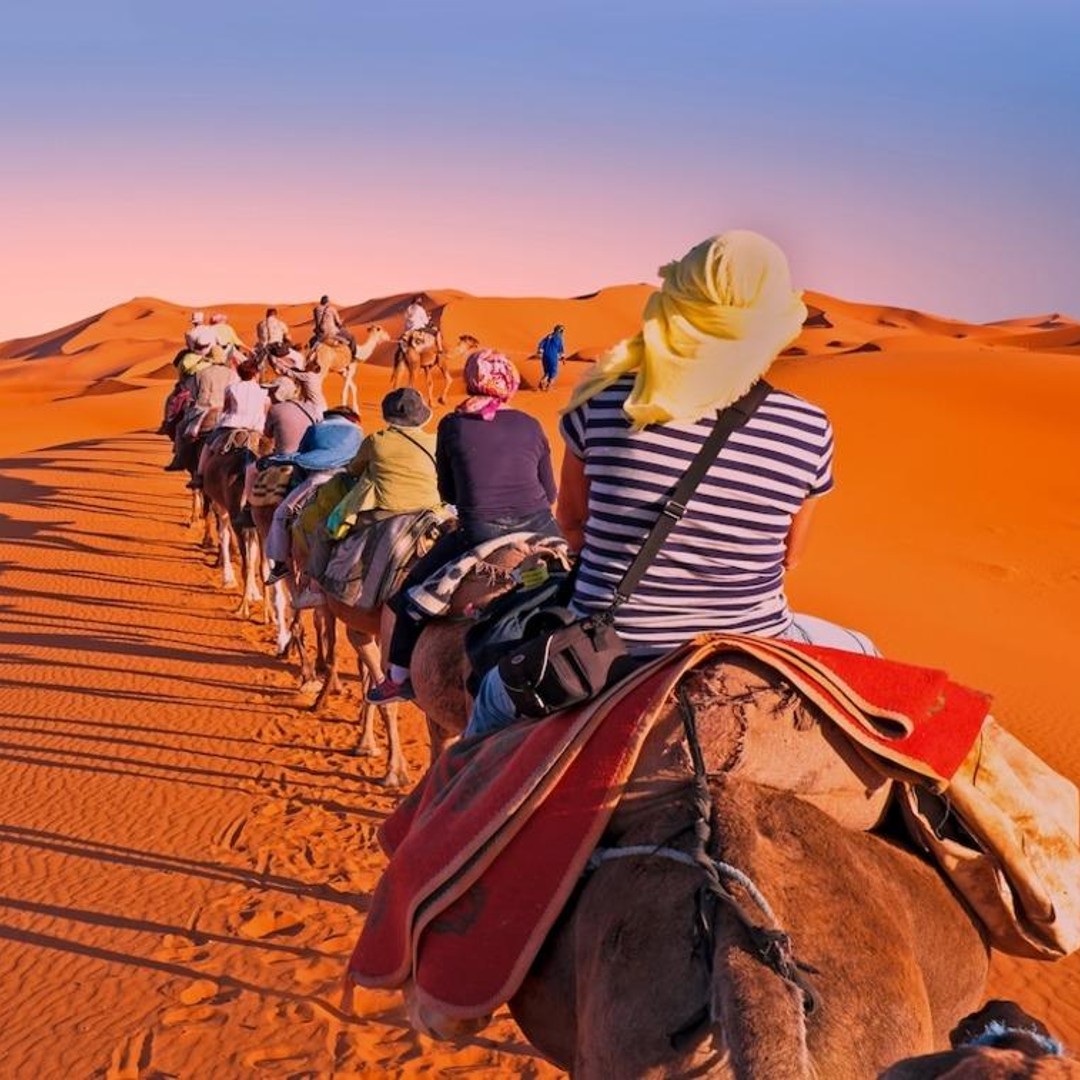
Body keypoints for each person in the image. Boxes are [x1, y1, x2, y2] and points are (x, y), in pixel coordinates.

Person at [466, 229, 878, 736]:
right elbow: (792, 555)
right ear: (773, 321)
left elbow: (571, 522)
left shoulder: (603, 400)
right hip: (753, 644)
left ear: (676, 301)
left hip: (611, 647)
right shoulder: (808, 426)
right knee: (868, 655)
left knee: (489, 700)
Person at [367, 350, 559, 705]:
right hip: (545, 529)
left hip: (481, 533)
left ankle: (397, 679)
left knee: (407, 600)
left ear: (472, 380)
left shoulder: (453, 425)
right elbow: (550, 492)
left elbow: (448, 493)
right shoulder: (531, 423)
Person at [264, 410, 365, 584]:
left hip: (317, 479)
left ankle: (280, 564)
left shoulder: (315, 429)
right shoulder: (357, 432)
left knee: (281, 513)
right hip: (348, 483)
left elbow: (302, 459)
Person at [346, 387, 440, 513]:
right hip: (430, 507)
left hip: (386, 507)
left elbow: (354, 470)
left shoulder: (375, 440)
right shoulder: (435, 442)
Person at [191, 358, 269, 487]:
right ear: (256, 374)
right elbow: (265, 412)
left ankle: (199, 476)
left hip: (231, 426)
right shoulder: (263, 392)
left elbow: (226, 409)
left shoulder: (231, 388)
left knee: (208, 444)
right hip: (256, 429)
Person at [312, 294, 358, 359]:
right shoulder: (332, 309)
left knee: (312, 341)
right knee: (352, 338)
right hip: (331, 332)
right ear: (328, 302)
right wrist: (341, 324)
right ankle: (352, 357)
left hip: (319, 333)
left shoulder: (316, 309)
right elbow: (338, 322)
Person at [537, 323, 565, 391]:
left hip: (545, 356)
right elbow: (561, 348)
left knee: (547, 372)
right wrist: (563, 357)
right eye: (562, 331)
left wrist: (540, 351)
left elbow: (541, 344)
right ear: (559, 331)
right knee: (553, 372)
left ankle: (542, 381)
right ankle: (549, 387)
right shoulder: (558, 338)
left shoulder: (548, 336)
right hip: (553, 357)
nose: (562, 333)